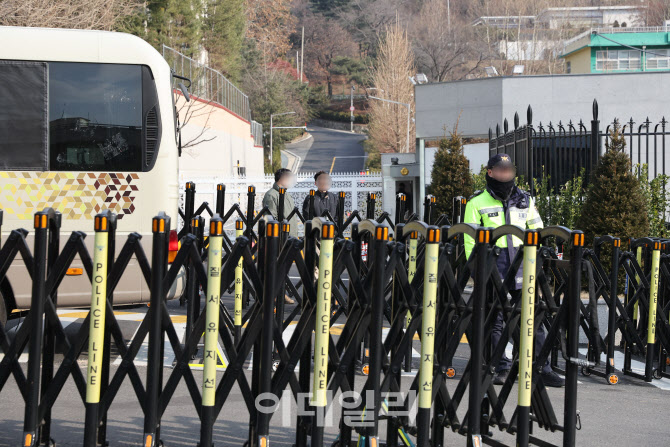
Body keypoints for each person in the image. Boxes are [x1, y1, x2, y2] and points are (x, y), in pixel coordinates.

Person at [463, 153, 564, 388]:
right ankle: (500, 366)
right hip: (493, 267)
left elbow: (536, 230)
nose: (505, 174)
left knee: (531, 318)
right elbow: (469, 241)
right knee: (495, 319)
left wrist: (536, 261)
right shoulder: (476, 203)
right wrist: (477, 269)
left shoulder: (525, 200)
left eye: (508, 171)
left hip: (521, 266)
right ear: (490, 172)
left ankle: (541, 367)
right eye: (500, 170)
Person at [263, 168, 299, 304]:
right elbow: (270, 218)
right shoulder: (271, 195)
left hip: (290, 237)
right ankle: (274, 296)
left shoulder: (286, 194)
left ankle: (280, 294)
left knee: (284, 267)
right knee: (276, 267)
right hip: (279, 238)